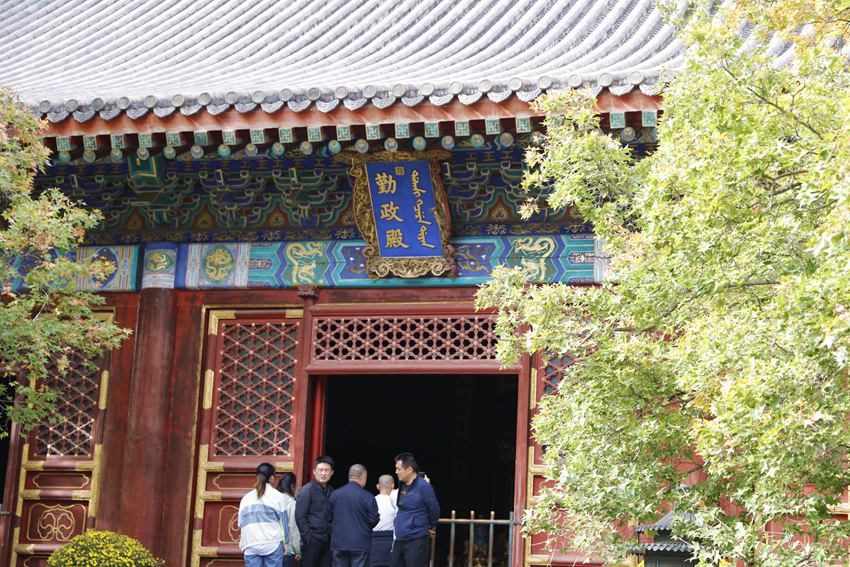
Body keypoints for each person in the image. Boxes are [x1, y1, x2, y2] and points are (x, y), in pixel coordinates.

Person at [391, 453, 439, 567]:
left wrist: (430, 526)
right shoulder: (402, 483)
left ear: (409, 469)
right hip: (400, 536)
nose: (396, 472)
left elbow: (434, 509)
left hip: (416, 538)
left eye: (398, 469)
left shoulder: (424, 487)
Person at [329, 464, 380, 567]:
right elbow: (374, 519)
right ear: (364, 476)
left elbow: (328, 517)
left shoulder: (335, 494)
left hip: (338, 542)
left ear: (349, 476)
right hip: (360, 543)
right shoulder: (368, 497)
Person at [238, 462, 287, 567]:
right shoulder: (278, 496)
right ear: (272, 478)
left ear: (257, 477)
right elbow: (284, 523)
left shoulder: (246, 498)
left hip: (251, 542)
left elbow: (240, 523)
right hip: (272, 542)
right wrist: (286, 542)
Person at [296, 455, 336, 567]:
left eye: (326, 470)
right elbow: (300, 516)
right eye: (320, 470)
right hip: (312, 540)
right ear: (314, 472)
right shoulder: (307, 490)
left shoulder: (332, 491)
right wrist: (308, 538)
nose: (323, 473)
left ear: (332, 472)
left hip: (327, 540)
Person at [370, 474, 397, 567]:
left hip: (373, 541)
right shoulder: (397, 502)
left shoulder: (371, 501)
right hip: (391, 541)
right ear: (393, 485)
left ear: (377, 486)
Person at [276, 472, 302, 567]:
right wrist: (297, 550)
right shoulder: (292, 504)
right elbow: (293, 527)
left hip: (269, 549)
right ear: (292, 486)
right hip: (286, 550)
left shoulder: (272, 500)